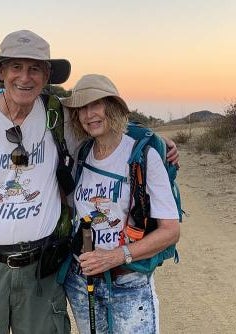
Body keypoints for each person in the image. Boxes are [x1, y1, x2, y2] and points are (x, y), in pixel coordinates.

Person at [0, 30, 179, 333]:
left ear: (47, 75)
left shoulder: (59, 117)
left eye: (35, 69)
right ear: (1, 71)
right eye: (16, 67)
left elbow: (103, 124)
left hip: (42, 269)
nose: (25, 78)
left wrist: (151, 138)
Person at [60, 74, 180, 333]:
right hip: (82, 283)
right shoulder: (82, 152)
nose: (88, 114)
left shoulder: (143, 155)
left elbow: (171, 231)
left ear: (113, 107)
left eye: (96, 104)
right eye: (81, 108)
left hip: (129, 283)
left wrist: (115, 256)